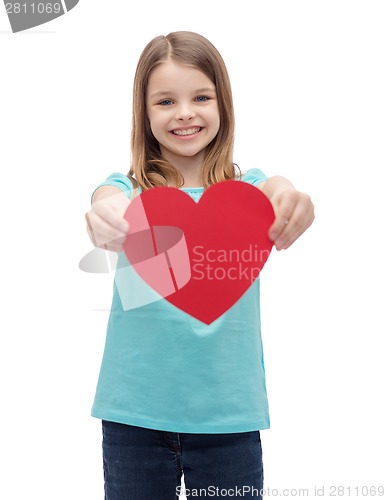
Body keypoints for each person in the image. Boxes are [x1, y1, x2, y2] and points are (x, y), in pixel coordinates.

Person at [85, 31, 314, 500]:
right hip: (134, 418)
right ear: (144, 114)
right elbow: (104, 202)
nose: (185, 112)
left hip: (229, 420)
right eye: (165, 100)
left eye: (201, 97)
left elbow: (278, 191)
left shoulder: (250, 191)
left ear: (222, 105)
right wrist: (103, 216)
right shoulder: (129, 192)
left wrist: (291, 197)